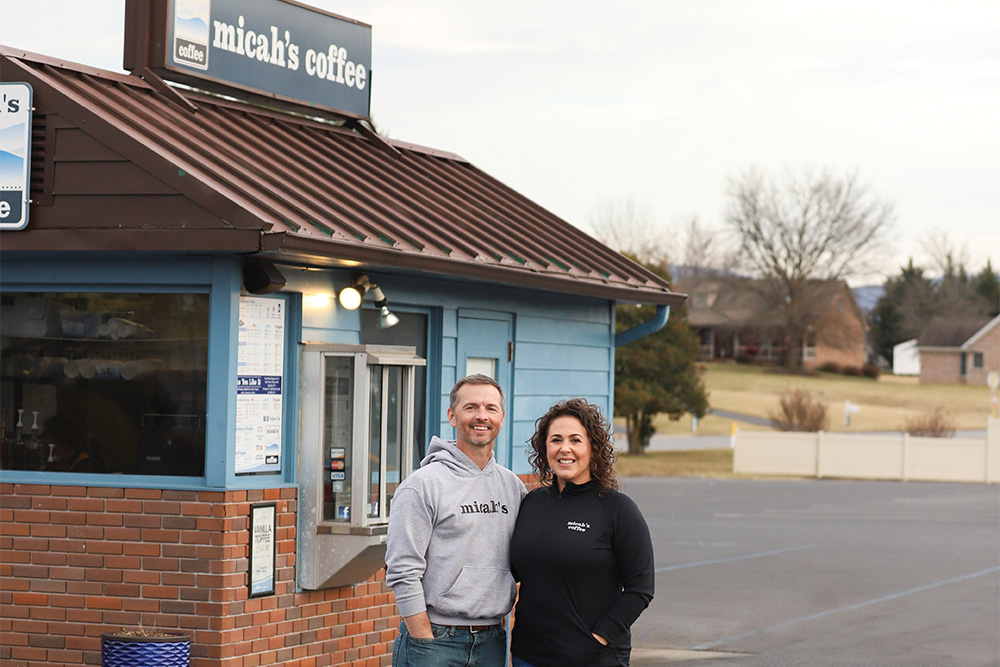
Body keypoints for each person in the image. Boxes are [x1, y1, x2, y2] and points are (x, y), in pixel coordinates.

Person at [386, 374, 527, 667]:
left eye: (490, 408)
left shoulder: (513, 488)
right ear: (452, 416)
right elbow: (402, 569)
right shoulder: (422, 485)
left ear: (502, 417)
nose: (481, 416)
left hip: (493, 640)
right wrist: (423, 637)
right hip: (435, 641)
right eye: (471, 407)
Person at [510, 398, 655, 667]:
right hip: (527, 656)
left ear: (593, 448)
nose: (565, 449)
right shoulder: (532, 503)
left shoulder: (617, 509)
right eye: (556, 440)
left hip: (592, 658)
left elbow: (641, 588)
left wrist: (599, 637)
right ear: (545, 448)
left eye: (575, 440)